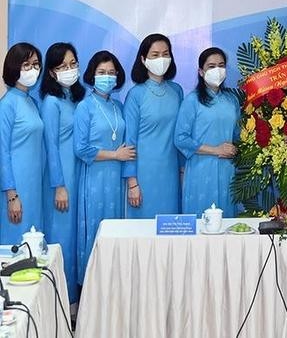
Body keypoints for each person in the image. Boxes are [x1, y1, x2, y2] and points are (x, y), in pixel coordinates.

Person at [74, 51, 135, 283]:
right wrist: (115, 154)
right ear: (92, 75)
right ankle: (91, 290)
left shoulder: (118, 106)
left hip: (115, 181)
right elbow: (81, 149)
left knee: (115, 232)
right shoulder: (85, 107)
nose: (107, 77)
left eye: (111, 73)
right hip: (94, 179)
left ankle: (113, 287)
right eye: (102, 73)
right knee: (96, 232)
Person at [39, 42, 86, 304]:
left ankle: (77, 299)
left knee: (76, 238)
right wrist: (59, 185)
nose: (69, 70)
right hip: (62, 180)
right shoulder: (51, 103)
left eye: (73, 64)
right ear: (52, 72)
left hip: (79, 176)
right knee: (62, 240)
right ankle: (60, 302)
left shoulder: (76, 98)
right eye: (62, 66)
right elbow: (51, 145)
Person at [175, 47, 240, 218]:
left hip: (228, 170)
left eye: (221, 65)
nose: (217, 70)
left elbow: (238, 136)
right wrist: (216, 150)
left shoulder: (232, 100)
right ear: (201, 72)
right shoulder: (192, 100)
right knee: (202, 223)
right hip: (201, 170)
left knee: (227, 222)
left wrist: (236, 149)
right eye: (211, 66)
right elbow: (180, 139)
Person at [123, 34, 183, 218]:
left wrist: (182, 171)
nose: (161, 59)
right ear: (143, 59)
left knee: (170, 231)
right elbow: (129, 141)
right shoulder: (135, 94)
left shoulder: (177, 90)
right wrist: (132, 183)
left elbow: (181, 135)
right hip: (144, 174)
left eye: (165, 54)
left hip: (171, 173)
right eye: (155, 55)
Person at [0, 43, 44, 244]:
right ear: (14, 67)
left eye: (36, 64)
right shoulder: (7, 104)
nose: (32, 69)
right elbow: (2, 152)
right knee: (16, 248)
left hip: (34, 185)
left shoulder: (32, 102)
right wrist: (11, 196)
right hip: (15, 189)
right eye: (26, 64)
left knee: (33, 246)